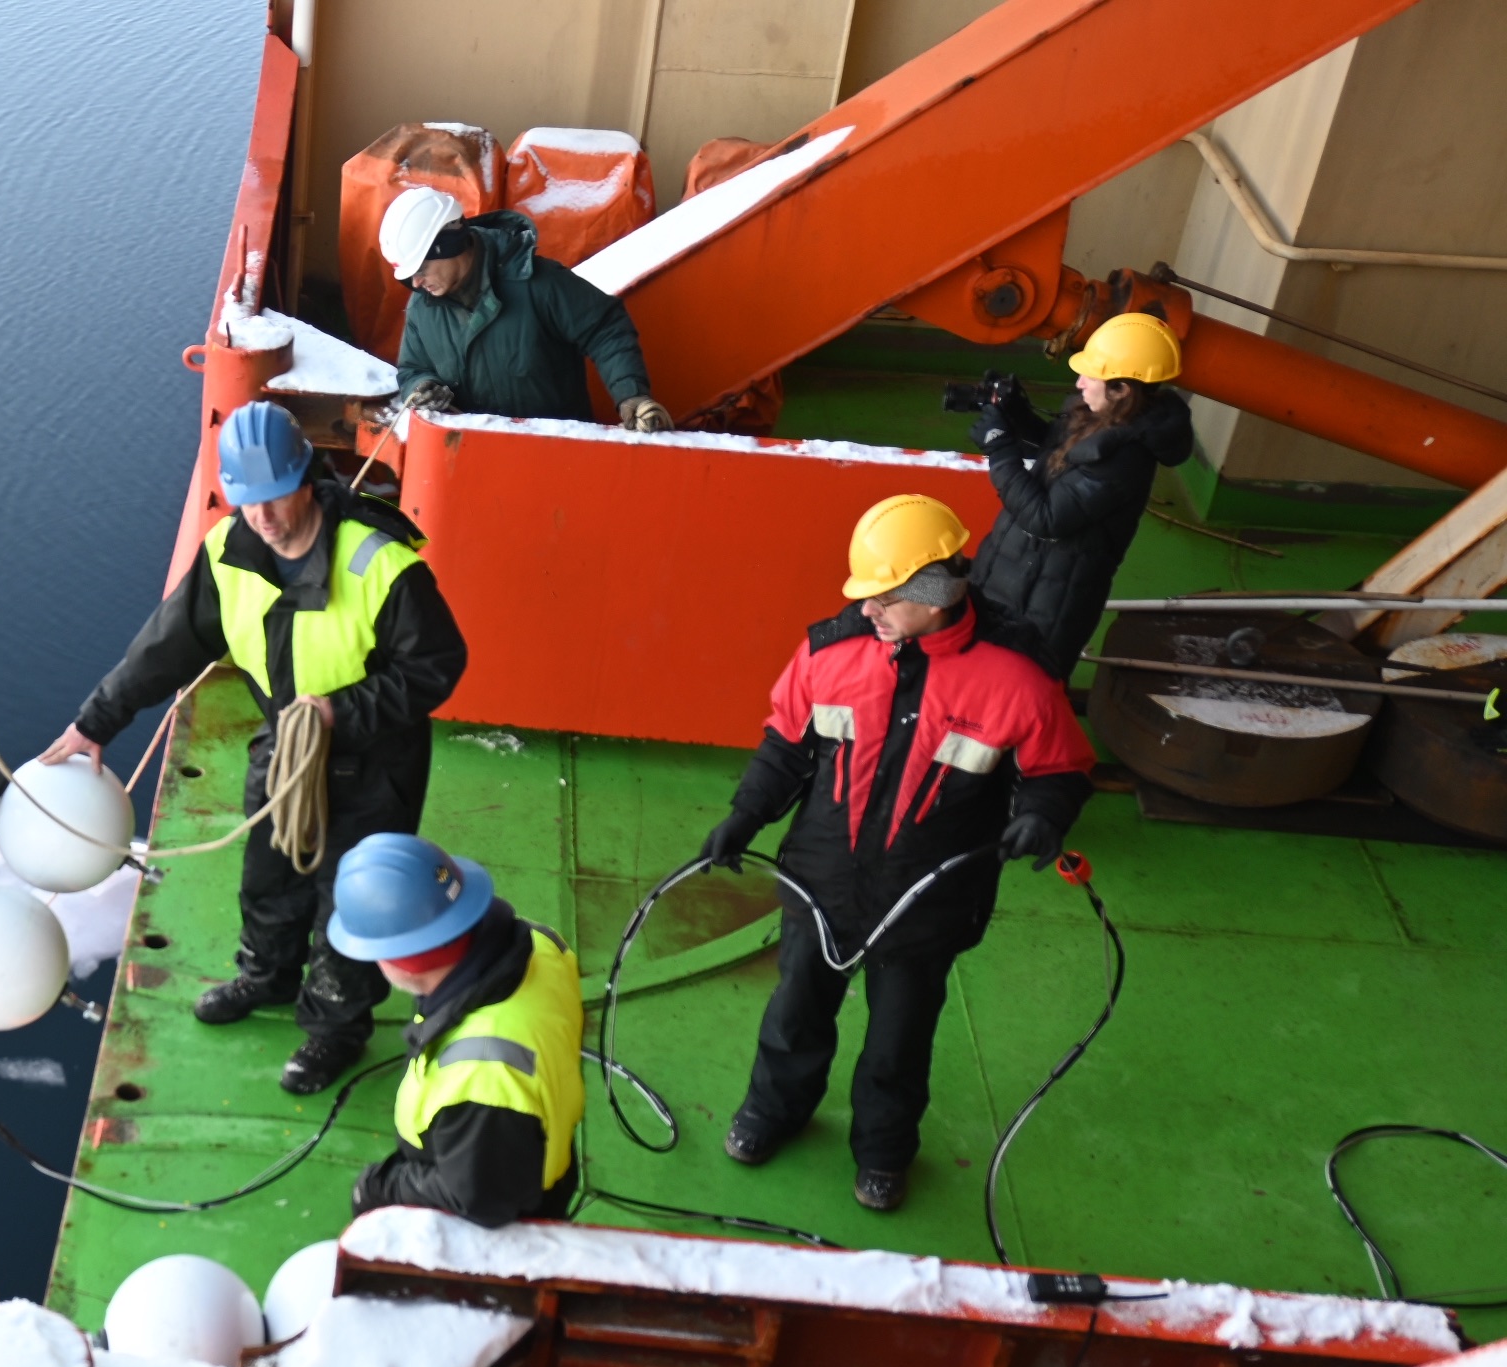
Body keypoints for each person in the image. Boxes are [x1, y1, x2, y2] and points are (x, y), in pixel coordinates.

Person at [38, 400, 468, 1095]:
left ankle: (335, 1028)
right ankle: (266, 976)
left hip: (372, 764)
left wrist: (341, 711)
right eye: (246, 500)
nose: (261, 516)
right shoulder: (228, 553)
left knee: (350, 902)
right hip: (285, 750)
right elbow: (167, 647)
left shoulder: (380, 565)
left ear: (307, 478)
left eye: (274, 497)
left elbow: (436, 665)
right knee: (269, 874)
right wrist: (98, 721)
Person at [698, 495, 1095, 1212]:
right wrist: (744, 816)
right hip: (822, 879)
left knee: (898, 1041)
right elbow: (786, 744)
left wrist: (1044, 815)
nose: (868, 608)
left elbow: (1059, 769)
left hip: (927, 899)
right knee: (794, 1013)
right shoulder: (829, 653)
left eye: (885, 597)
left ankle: (883, 1151)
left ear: (936, 592)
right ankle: (771, 1111)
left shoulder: (1018, 678)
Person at [329, 833, 584, 1228]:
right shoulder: (541, 944)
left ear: (397, 961)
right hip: (537, 1145)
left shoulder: (481, 1076)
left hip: (508, 1214)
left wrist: (380, 1190)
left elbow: (479, 1197)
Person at [956, 311, 1194, 681]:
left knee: (1014, 690)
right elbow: (1056, 451)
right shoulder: (1101, 416)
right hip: (1015, 576)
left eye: (1091, 375)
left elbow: (1046, 519)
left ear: (1121, 389)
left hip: (1046, 608)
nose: (1080, 382)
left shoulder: (1125, 459)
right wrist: (1018, 415)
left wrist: (999, 450)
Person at [378, 186, 669, 432]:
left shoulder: (537, 283)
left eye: (421, 269)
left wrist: (631, 395)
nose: (416, 283)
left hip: (556, 454)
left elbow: (605, 328)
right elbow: (413, 368)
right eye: (409, 276)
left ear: (450, 245)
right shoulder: (422, 306)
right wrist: (422, 386)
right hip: (472, 456)